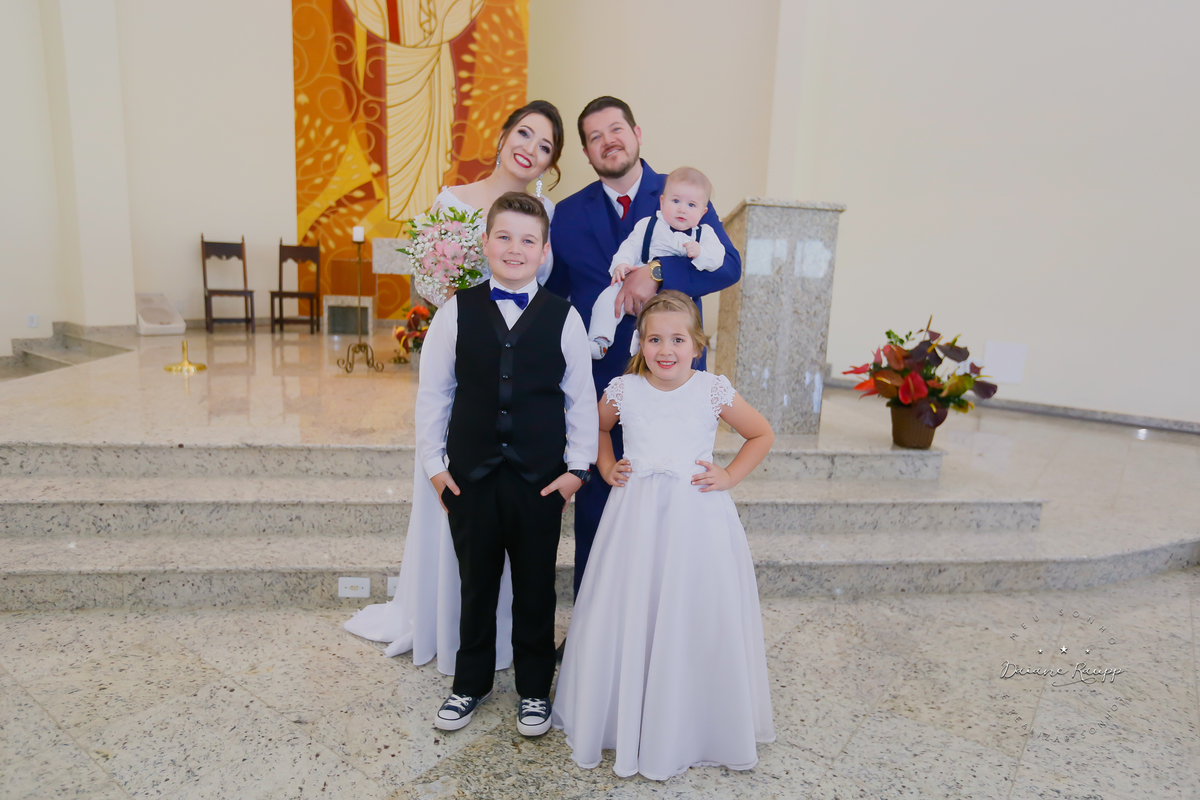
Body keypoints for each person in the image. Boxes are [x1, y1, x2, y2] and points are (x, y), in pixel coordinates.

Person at [344, 101, 565, 676]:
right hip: (466, 366)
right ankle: (445, 620)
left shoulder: (545, 213)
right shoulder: (452, 201)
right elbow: (428, 284)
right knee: (456, 494)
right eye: (524, 134)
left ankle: (506, 632)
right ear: (503, 135)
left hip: (519, 379)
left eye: (545, 146)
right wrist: (457, 300)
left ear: (551, 163)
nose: (530, 149)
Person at [552, 291, 775, 779]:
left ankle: (692, 719)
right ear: (639, 343)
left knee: (691, 610)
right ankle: (626, 710)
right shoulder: (624, 389)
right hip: (635, 518)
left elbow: (761, 434)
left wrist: (729, 475)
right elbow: (597, 429)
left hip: (696, 518)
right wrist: (607, 466)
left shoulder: (712, 390)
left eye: (677, 339)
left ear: (696, 345)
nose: (665, 349)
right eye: (654, 339)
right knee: (635, 604)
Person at [544, 96, 742, 597]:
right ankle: (594, 617)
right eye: (595, 136)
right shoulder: (568, 214)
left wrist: (655, 271)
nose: (608, 141)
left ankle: (667, 615)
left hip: (673, 377)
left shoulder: (682, 192)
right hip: (602, 380)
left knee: (673, 505)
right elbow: (556, 298)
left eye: (616, 129)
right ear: (586, 152)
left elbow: (727, 266)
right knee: (598, 501)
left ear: (636, 133)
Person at [420, 192, 598, 736]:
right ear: (485, 243)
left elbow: (580, 398)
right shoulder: (455, 312)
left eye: (527, 240)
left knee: (536, 586)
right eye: (504, 237)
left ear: (544, 251)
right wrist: (434, 466)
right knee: (475, 584)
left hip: (540, 480)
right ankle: (469, 683)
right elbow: (435, 393)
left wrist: (576, 470)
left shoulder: (565, 317)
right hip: (469, 477)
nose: (515, 249)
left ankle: (534, 689)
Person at [586, 166, 724, 359]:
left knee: (674, 322)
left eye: (691, 205)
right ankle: (600, 341)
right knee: (608, 298)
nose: (682, 209)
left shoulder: (704, 234)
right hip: (635, 284)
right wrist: (622, 264)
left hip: (676, 296)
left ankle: (646, 349)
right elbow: (630, 246)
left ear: (703, 212)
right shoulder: (648, 225)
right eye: (675, 201)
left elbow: (718, 257)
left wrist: (701, 253)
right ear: (662, 201)